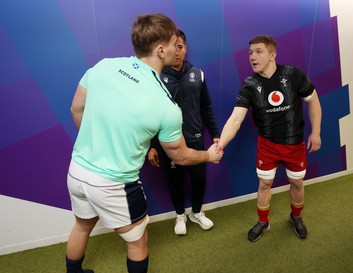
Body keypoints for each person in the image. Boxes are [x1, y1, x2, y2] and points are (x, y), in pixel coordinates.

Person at [66, 14, 223, 273]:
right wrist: (208, 156)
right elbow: (181, 157)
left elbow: (76, 108)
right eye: (174, 43)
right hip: (115, 183)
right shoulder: (165, 105)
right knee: (138, 243)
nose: (178, 48)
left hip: (77, 171)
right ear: (161, 50)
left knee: (82, 225)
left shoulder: (103, 66)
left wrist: (99, 143)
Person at [216, 35, 322, 242]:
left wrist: (316, 131)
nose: (252, 57)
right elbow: (236, 119)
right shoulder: (249, 84)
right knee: (264, 183)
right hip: (268, 145)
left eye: (258, 52)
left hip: (294, 144)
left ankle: (296, 217)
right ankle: (263, 221)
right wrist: (221, 144)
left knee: (297, 182)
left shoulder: (293, 74)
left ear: (272, 55)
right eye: (250, 53)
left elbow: (314, 101)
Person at [147, 30, 220, 235]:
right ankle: (180, 215)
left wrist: (215, 133)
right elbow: (151, 114)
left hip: (195, 139)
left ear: (185, 49)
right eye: (173, 47)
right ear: (164, 50)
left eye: (180, 47)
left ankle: (197, 212)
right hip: (168, 142)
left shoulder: (198, 74)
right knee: (175, 182)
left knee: (199, 179)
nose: (177, 52)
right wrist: (151, 146)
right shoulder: (157, 77)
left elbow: (206, 107)